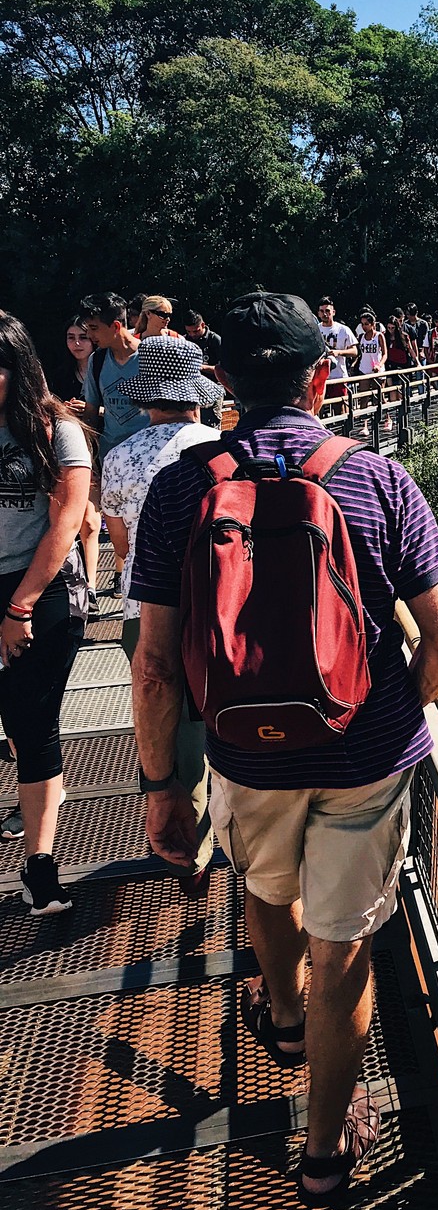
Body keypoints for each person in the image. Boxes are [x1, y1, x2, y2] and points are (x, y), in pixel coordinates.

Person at [129, 291, 438, 1207]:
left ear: (225, 384)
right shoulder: (378, 478)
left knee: (265, 885)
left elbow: (155, 667)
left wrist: (164, 787)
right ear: (325, 376)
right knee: (345, 943)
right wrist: (392, 710)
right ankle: (323, 1155)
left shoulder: (179, 488)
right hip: (364, 758)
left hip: (244, 750)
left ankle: (280, 1022)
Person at [100, 337, 224, 895]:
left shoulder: (121, 456)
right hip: (214, 607)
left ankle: (180, 836)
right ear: (196, 393)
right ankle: (218, 835)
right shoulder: (220, 448)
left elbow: (121, 545)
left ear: (146, 397)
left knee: (170, 726)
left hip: (140, 606)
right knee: (212, 723)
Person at [0, 311, 91, 911]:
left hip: (40, 590)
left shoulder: (54, 429)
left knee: (31, 727)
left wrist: (19, 606)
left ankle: (39, 863)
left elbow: (65, 522)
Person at [79, 291, 149, 595]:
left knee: (150, 529)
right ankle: (129, 586)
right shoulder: (97, 362)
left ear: (116, 326)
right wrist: (90, 460)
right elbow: (92, 414)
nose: (89, 335)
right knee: (120, 533)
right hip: (112, 461)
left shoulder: (148, 356)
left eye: (94, 328)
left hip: (149, 460)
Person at [51, 318, 102, 616]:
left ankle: (117, 572)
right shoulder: (60, 375)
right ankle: (90, 587)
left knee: (99, 521)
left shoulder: (101, 369)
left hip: (102, 448)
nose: (77, 343)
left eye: (83, 337)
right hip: (71, 454)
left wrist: (93, 410)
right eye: (71, 337)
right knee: (87, 522)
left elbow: (122, 407)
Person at [316, 298, 358, 406]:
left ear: (333, 312)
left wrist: (339, 352)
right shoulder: (315, 329)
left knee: (340, 407)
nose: (325, 314)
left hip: (338, 376)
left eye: (327, 311)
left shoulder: (343, 329)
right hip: (320, 377)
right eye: (322, 311)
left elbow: (355, 351)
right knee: (319, 408)